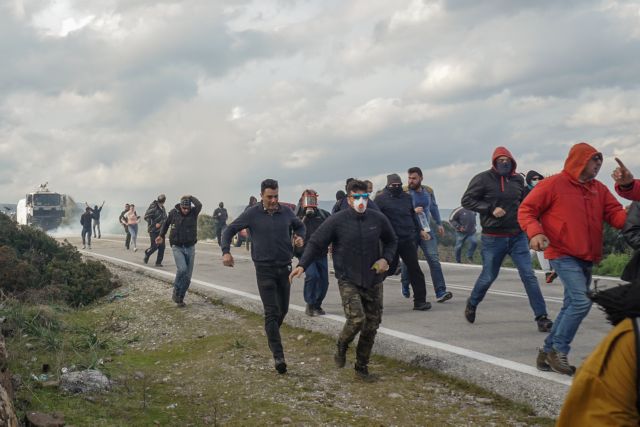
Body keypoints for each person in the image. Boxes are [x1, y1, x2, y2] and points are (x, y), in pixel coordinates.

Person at [519, 142, 627, 375]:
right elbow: (526, 210)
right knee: (581, 302)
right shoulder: (552, 184)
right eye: (593, 159)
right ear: (579, 160)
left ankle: (546, 352)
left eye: (600, 160)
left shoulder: (598, 188)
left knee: (571, 304)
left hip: (587, 255)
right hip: (561, 252)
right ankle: (558, 350)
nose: (598, 164)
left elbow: (617, 216)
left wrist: (632, 210)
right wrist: (535, 232)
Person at [290, 180, 397, 380]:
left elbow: (392, 240)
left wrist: (386, 258)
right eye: (356, 197)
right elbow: (315, 243)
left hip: (374, 278)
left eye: (364, 197)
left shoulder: (378, 219)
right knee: (357, 319)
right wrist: (302, 265)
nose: (360, 201)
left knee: (372, 324)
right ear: (348, 199)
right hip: (348, 278)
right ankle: (341, 344)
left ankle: (361, 368)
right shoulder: (336, 220)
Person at [461, 147, 553, 332]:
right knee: (488, 276)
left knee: (529, 276)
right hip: (493, 238)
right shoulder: (482, 179)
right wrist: (490, 208)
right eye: (500, 160)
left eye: (507, 159)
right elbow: (467, 200)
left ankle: (541, 317)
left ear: (512, 161)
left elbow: (526, 203)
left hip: (517, 236)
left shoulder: (518, 179)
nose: (504, 162)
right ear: (494, 162)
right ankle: (472, 302)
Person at [221, 180, 305, 374]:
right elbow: (228, 230)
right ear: (262, 196)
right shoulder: (252, 213)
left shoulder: (286, 212)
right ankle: (279, 356)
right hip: (264, 269)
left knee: (282, 311)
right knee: (271, 311)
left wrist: (300, 237)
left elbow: (300, 227)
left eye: (276, 196)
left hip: (285, 269)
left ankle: (271, 331)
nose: (274, 200)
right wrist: (226, 252)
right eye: (270, 197)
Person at [556, 282, 640, 426]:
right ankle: (556, 349)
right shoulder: (631, 337)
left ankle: (554, 349)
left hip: (585, 260)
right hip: (567, 259)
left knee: (577, 302)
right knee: (580, 302)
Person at [375, 173, 432, 311]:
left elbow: (412, 216)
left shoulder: (407, 198)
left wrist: (420, 230)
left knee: (415, 270)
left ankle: (420, 301)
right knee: (386, 269)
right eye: (393, 185)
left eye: (398, 185)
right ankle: (370, 298)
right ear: (388, 185)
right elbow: (375, 219)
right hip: (390, 240)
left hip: (407, 238)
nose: (396, 187)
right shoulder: (380, 199)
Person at [400, 167, 453, 303]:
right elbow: (399, 210)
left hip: (426, 230)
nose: (411, 181)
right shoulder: (404, 192)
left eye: (414, 178)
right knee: (409, 261)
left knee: (434, 259)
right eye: (409, 178)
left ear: (421, 178)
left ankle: (441, 291)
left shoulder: (428, 191)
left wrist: (439, 223)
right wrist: (413, 210)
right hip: (411, 231)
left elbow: (433, 207)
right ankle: (405, 284)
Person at [157, 195, 203, 307]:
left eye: (187, 208)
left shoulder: (193, 212)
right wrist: (161, 235)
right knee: (182, 269)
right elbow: (166, 224)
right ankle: (176, 290)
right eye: (184, 208)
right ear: (181, 206)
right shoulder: (174, 212)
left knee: (187, 278)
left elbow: (199, 204)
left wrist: (190, 197)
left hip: (190, 247)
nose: (186, 210)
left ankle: (180, 298)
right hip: (177, 246)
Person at [294, 189, 330, 316]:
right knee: (312, 276)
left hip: (321, 253)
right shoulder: (297, 217)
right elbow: (288, 232)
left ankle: (317, 304)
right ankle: (310, 304)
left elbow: (333, 229)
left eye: (313, 199)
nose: (310, 202)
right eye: (308, 199)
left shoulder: (324, 215)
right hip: (305, 254)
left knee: (324, 281)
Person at [524, 171, 557, 284]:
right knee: (538, 247)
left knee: (550, 245)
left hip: (547, 223)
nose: (537, 180)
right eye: (534, 178)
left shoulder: (545, 190)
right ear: (528, 180)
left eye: (539, 178)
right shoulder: (524, 193)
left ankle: (556, 268)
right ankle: (547, 271)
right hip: (531, 225)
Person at [143, 194, 167, 267]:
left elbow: (165, 218)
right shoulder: (153, 206)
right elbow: (146, 217)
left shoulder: (163, 208)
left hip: (161, 231)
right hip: (153, 230)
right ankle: (147, 253)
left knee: (162, 247)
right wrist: (154, 224)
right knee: (155, 246)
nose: (162, 202)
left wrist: (163, 223)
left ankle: (158, 262)